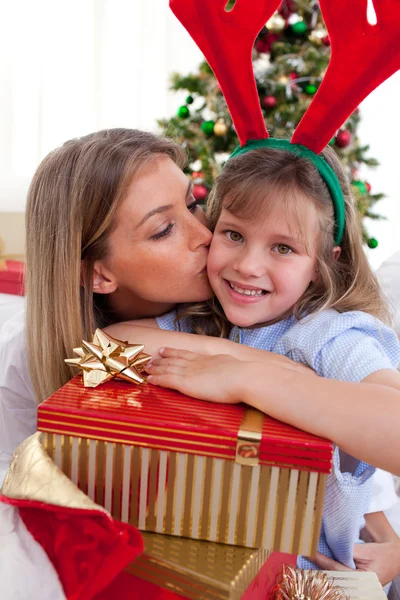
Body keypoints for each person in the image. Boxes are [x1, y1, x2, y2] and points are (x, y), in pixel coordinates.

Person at [106, 144, 400, 577]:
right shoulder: (202, 322)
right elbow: (111, 345)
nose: (247, 265)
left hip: (303, 578)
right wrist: (237, 358)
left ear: (321, 265)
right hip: (204, 563)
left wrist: (251, 379)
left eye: (283, 248)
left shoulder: (328, 337)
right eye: (235, 235)